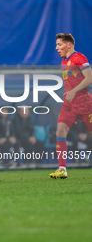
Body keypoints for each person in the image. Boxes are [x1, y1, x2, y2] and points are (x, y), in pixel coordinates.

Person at [49, 33, 92, 179]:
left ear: (69, 44)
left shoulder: (80, 58)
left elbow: (89, 78)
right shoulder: (64, 61)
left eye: (59, 44)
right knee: (60, 131)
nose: (56, 48)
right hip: (68, 104)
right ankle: (62, 168)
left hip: (84, 103)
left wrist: (74, 90)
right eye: (56, 44)